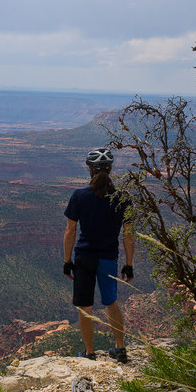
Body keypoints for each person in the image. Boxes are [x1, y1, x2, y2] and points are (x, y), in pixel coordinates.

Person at [63, 148, 134, 363]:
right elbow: (128, 234)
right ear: (110, 169)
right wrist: (129, 264)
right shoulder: (123, 198)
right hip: (108, 258)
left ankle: (89, 353)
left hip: (84, 257)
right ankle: (120, 349)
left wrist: (67, 261)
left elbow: (70, 231)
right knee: (111, 302)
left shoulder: (79, 196)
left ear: (90, 170)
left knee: (85, 306)